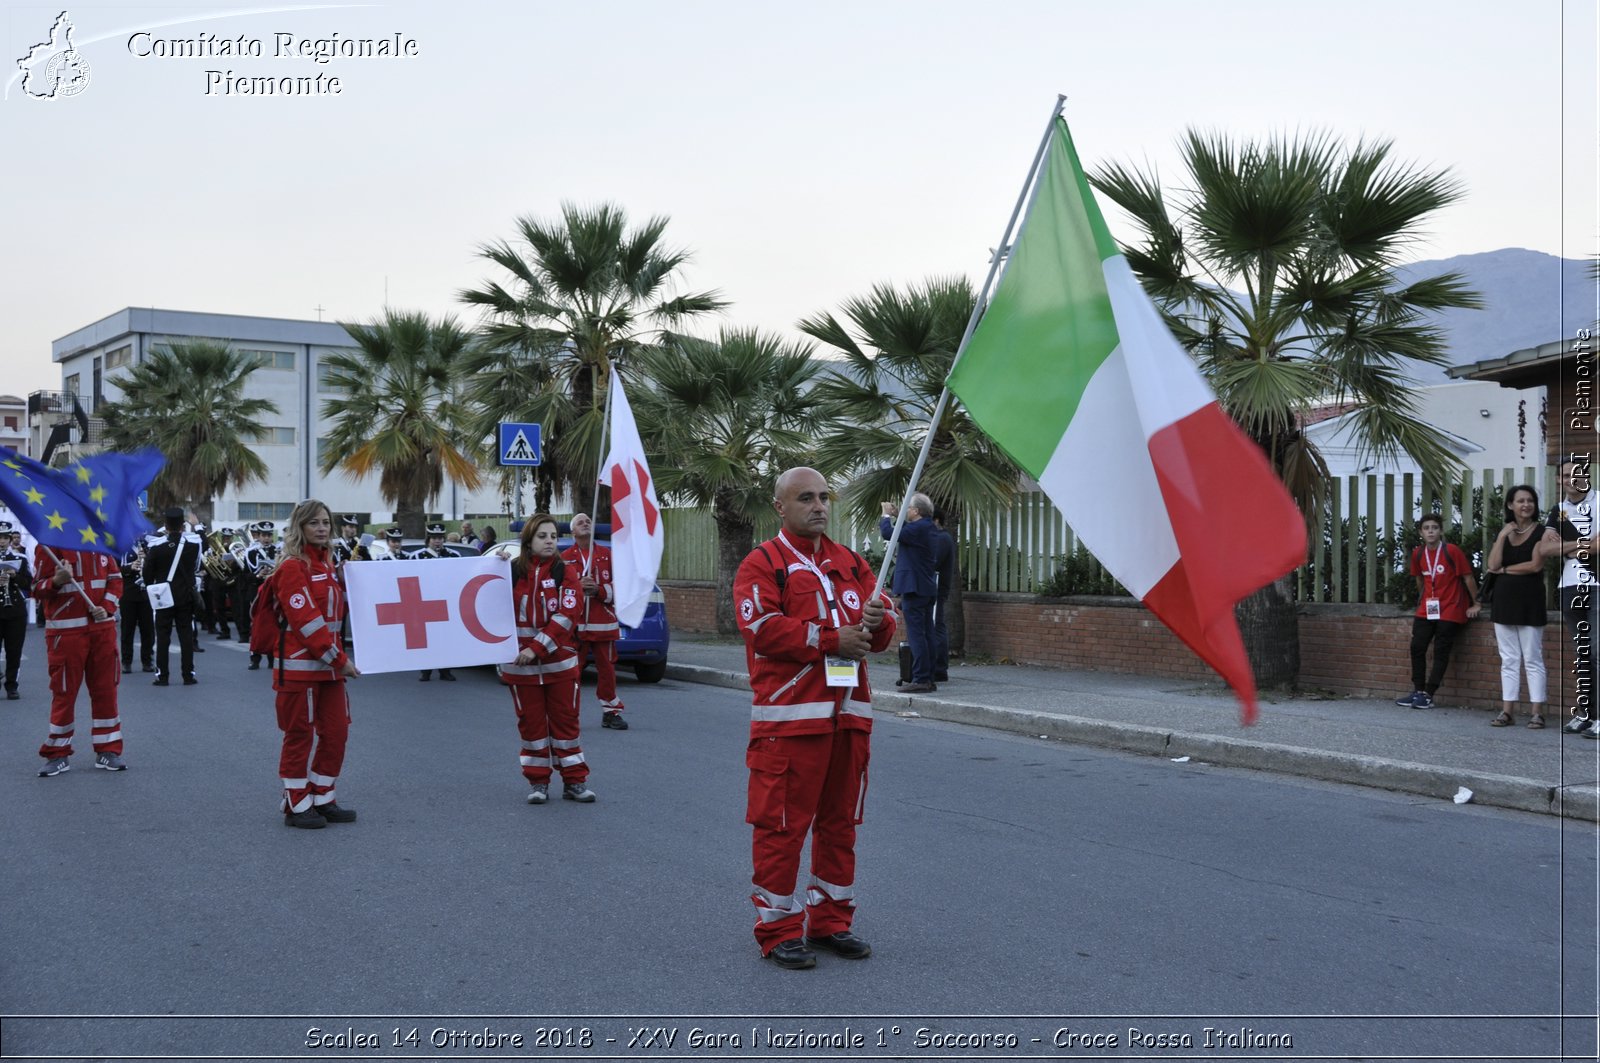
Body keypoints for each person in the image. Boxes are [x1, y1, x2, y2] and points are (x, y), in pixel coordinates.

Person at [736, 467, 896, 969]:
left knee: (840, 824)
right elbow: (761, 627)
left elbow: (884, 625)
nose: (819, 506)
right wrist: (832, 640)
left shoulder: (851, 563)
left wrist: (879, 622)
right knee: (781, 827)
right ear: (780, 506)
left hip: (849, 719)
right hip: (789, 724)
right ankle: (777, 928)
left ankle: (830, 921)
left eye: (825, 497)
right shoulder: (761, 563)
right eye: (806, 498)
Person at [263, 499, 361, 829]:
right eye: (314, 523)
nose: (322, 529)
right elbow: (306, 622)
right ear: (300, 528)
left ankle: (322, 795)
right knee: (299, 735)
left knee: (336, 733)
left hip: (330, 670)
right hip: (300, 669)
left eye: (325, 523)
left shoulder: (328, 567)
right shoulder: (292, 567)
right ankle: (296, 802)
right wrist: (341, 660)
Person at [499, 513, 594, 805]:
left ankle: (574, 782)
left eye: (553, 535)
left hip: (560, 666)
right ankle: (538, 782)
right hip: (521, 668)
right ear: (528, 541)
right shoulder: (510, 571)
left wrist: (536, 648)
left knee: (566, 725)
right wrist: (492, 567)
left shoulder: (565, 572)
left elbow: (567, 615)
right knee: (531, 727)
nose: (550, 541)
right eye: (542, 536)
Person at [33, 544, 125, 775]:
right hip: (66, 635)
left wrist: (107, 607)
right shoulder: (49, 545)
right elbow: (35, 588)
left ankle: (108, 750)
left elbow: (115, 579)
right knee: (64, 693)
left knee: (106, 691)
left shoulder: (100, 542)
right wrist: (56, 581)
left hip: (102, 631)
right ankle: (57, 754)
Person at [1485, 484, 1562, 728]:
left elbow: (1534, 565)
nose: (1526, 505)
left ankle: (1537, 712)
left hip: (1530, 601)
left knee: (1532, 657)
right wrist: (1501, 537)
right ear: (1510, 505)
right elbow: (1492, 564)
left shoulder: (1542, 532)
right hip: (1503, 601)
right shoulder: (1505, 532)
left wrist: (1505, 570)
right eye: (1520, 501)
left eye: (1530, 500)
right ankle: (1507, 711)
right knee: (1508, 658)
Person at [1393, 514, 1480, 709]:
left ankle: (1429, 694)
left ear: (1440, 531)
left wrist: (1476, 604)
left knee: (1441, 649)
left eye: (1434, 527)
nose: (1431, 531)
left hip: (1451, 608)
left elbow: (1468, 578)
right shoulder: (1418, 553)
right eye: (1426, 528)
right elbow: (1419, 580)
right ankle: (1417, 691)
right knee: (1417, 646)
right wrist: (1425, 598)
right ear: (1421, 532)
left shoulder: (1452, 551)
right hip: (1428, 608)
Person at [562, 512, 626, 729]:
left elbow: (622, 587)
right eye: (580, 522)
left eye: (588, 521)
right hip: (575, 626)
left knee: (607, 670)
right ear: (573, 531)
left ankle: (611, 713)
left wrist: (598, 590)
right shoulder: (564, 558)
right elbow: (558, 591)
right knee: (572, 671)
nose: (585, 523)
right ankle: (568, 714)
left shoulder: (608, 555)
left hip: (603, 624)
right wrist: (577, 587)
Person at [1550, 457, 1597, 736]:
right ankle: (1585, 715)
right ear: (1559, 480)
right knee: (1582, 654)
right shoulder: (1559, 511)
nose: (1570, 479)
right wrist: (1583, 545)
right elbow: (1545, 548)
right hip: (1569, 585)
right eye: (1565, 475)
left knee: (1598, 651)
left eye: (1575, 474)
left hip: (1597, 583)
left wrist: (1567, 548)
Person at [880, 493, 938, 693]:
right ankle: (928, 676)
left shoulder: (917, 528)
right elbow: (904, 531)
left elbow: (889, 534)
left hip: (914, 587)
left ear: (916, 511)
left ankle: (921, 678)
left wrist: (886, 516)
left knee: (916, 635)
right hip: (926, 587)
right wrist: (898, 514)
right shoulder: (926, 527)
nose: (906, 510)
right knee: (927, 633)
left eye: (908, 508)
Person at [145, 507, 202, 686]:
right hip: (185, 595)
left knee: (163, 637)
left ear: (166, 526)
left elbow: (147, 574)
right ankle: (188, 675)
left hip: (163, 596)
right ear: (182, 526)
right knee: (186, 636)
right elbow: (196, 566)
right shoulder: (193, 545)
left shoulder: (156, 546)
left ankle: (162, 676)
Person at [407, 523, 457, 682]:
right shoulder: (416, 556)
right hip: (424, 602)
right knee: (427, 638)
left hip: (446, 602)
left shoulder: (453, 555)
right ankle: (425, 670)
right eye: (434, 538)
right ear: (428, 539)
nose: (438, 541)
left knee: (445, 637)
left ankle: (445, 670)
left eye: (440, 538)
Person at [0, 521, 32, 699]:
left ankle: (12, 685)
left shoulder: (20, 559)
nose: (2, 542)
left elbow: (29, 584)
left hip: (15, 610)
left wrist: (15, 576)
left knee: (14, 650)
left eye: (5, 538)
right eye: (0, 538)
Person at [243, 520, 279, 668]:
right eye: (263, 535)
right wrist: (259, 575)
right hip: (257, 591)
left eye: (269, 535)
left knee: (272, 626)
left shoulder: (278, 551)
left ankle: (272, 657)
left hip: (273, 592)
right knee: (256, 626)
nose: (266, 538)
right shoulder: (251, 552)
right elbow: (245, 575)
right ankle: (255, 658)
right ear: (258, 535)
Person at [119, 540, 155, 675]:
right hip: (128, 594)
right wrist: (130, 567)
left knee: (148, 630)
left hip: (146, 594)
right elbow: (114, 569)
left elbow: (156, 567)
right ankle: (126, 662)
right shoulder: (121, 546)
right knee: (127, 630)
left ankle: (147, 661)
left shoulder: (148, 545)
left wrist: (147, 559)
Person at [930, 511, 955, 684]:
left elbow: (933, 561)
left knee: (937, 626)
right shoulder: (939, 537)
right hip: (934, 587)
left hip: (937, 588)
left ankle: (939, 668)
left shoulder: (943, 538)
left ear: (936, 520)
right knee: (935, 626)